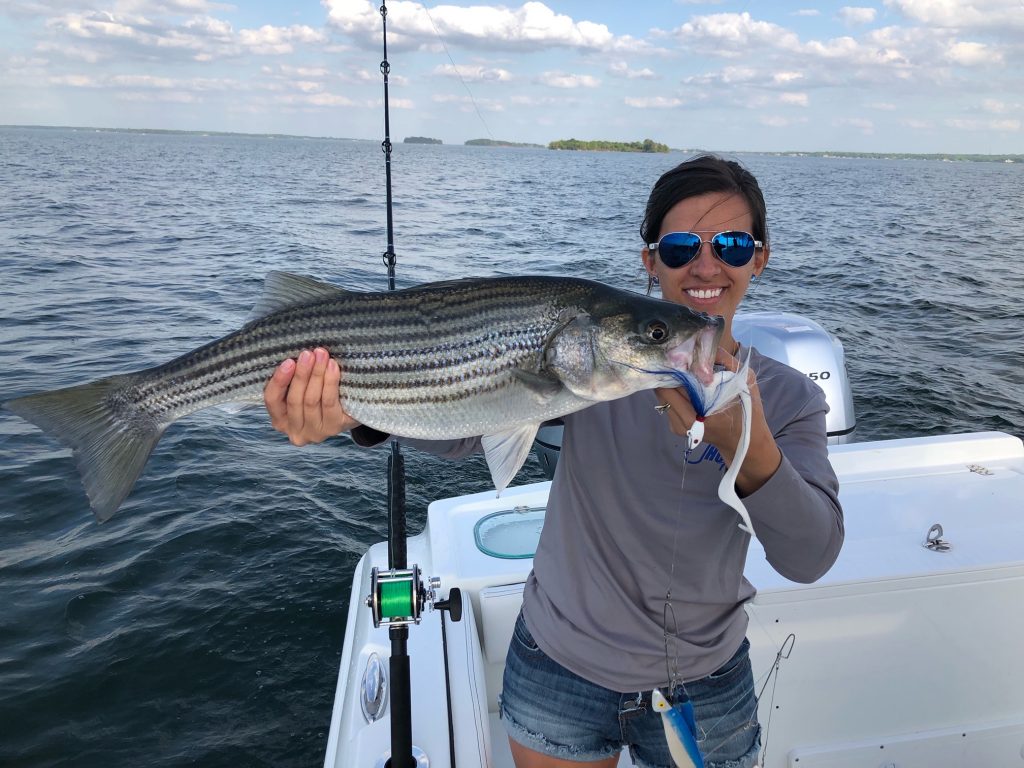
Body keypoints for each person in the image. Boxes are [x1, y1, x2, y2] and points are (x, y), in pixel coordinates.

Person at [263, 154, 844, 768]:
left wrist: (743, 443)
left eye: (731, 243)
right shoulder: (595, 377)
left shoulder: (791, 397)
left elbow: (810, 555)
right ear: (650, 263)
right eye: (678, 247)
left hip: (708, 679)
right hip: (559, 667)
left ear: (760, 257)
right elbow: (468, 427)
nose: (705, 265)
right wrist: (359, 415)